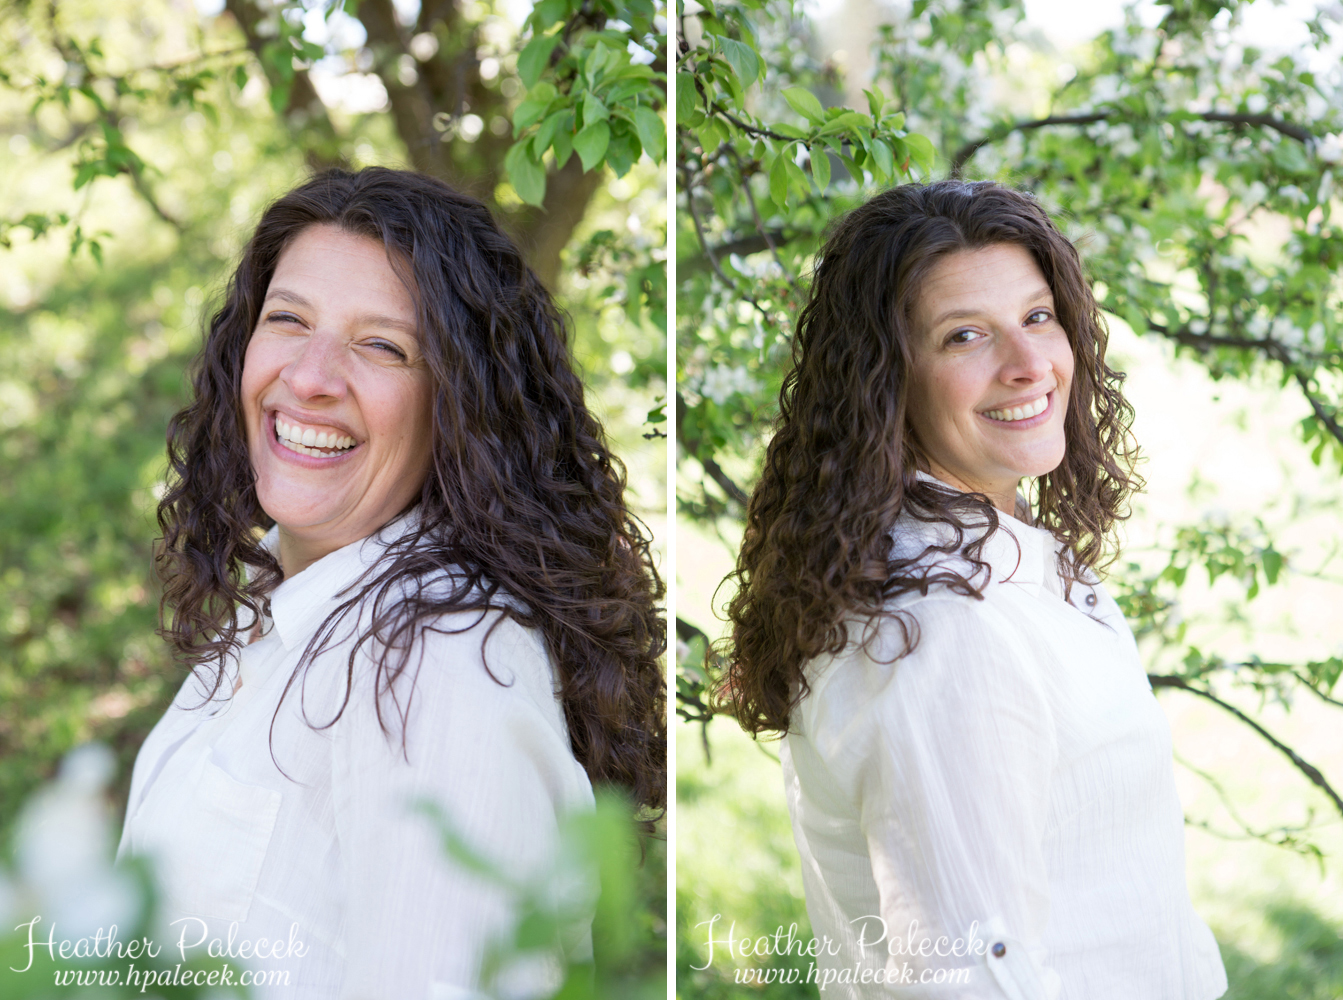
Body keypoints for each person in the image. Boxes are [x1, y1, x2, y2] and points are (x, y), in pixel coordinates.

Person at [116, 167, 665, 999]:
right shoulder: (287, 602)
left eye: (382, 345)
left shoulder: (439, 661)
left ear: (460, 403)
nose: (308, 377)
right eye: (288, 319)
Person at [719, 181, 1226, 999]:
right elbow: (965, 976)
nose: (1030, 366)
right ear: (886, 380)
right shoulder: (946, 632)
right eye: (965, 336)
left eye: (1036, 316)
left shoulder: (995, 560)